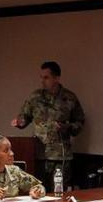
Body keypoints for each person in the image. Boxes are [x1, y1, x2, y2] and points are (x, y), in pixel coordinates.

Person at [11, 61, 85, 191]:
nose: (42, 81)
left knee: (59, 192)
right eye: (41, 77)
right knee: (37, 191)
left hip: (60, 155)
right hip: (38, 154)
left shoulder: (69, 98)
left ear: (56, 78)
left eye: (46, 77)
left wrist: (66, 127)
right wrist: (18, 122)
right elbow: (24, 117)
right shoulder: (35, 97)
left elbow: (79, 122)